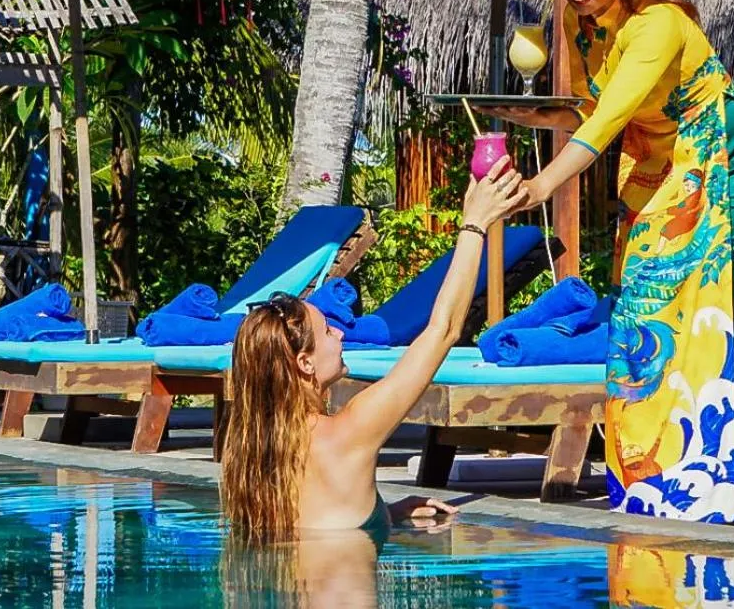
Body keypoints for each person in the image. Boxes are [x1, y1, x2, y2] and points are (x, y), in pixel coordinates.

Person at [493, 0, 734, 523]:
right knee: (645, 303)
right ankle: (653, 477)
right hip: (663, 164)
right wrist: (531, 114)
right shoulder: (588, 30)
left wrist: (539, 187)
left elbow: (605, 123)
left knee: (713, 306)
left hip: (726, 157)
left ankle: (719, 483)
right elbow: (591, 110)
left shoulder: (660, 23)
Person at [221, 159, 529, 542]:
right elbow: (442, 332)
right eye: (327, 330)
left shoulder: (247, 455)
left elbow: (311, 528)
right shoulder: (349, 432)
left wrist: (384, 514)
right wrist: (475, 223)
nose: (339, 333)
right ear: (304, 362)